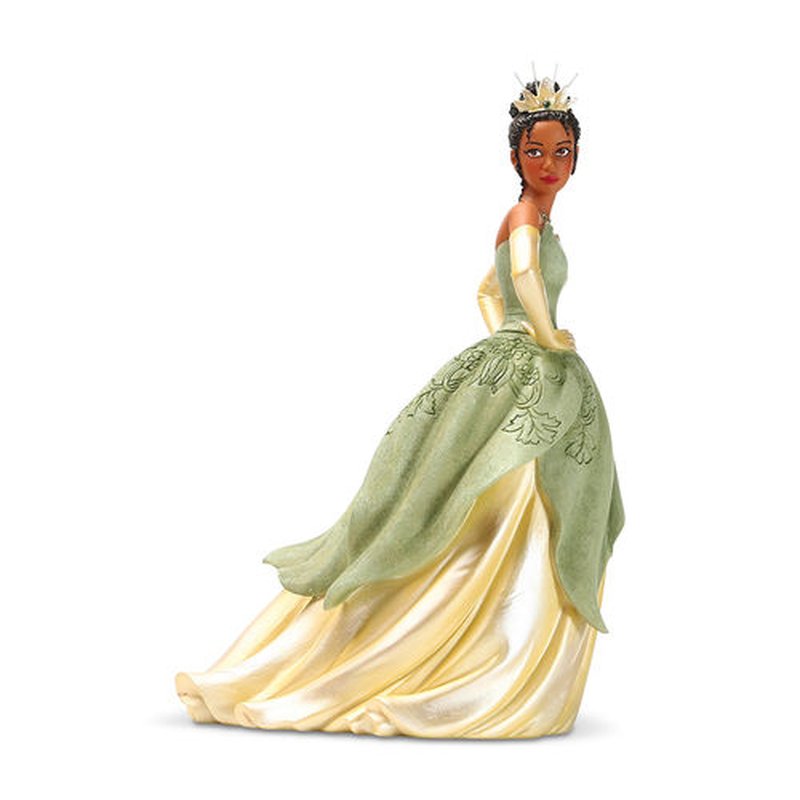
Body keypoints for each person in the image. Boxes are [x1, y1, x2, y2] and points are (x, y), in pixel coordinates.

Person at [175, 70, 625, 739]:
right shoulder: (524, 218)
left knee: (518, 492)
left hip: (525, 365)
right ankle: (465, 652)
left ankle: (488, 640)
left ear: (577, 157)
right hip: (532, 365)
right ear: (514, 156)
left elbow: (487, 288)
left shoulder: (538, 221)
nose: (549, 164)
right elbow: (521, 275)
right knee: (502, 492)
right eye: (536, 151)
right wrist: (540, 332)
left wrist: (507, 328)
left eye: (562, 152)